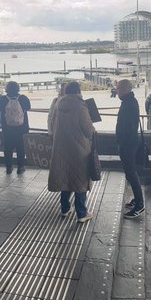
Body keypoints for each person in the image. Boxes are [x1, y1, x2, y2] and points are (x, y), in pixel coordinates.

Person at [48, 82, 96, 223]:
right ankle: (81, 213)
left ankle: (64, 208)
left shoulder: (58, 104)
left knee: (66, 177)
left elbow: (51, 124)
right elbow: (88, 129)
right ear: (78, 91)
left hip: (61, 147)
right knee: (80, 180)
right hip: (78, 148)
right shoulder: (80, 106)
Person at [115, 80, 144, 219]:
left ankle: (140, 204)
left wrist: (123, 143)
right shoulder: (129, 102)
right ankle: (137, 199)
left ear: (126, 89)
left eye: (119, 88)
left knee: (131, 173)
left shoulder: (129, 104)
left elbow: (129, 127)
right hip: (128, 144)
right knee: (130, 173)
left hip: (128, 145)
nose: (117, 90)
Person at [0, 81, 31, 174]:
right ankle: (20, 167)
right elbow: (28, 107)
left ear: (7, 89)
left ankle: (9, 167)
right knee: (20, 147)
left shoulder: (2, 99)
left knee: (8, 147)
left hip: (7, 128)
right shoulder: (23, 98)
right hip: (22, 128)